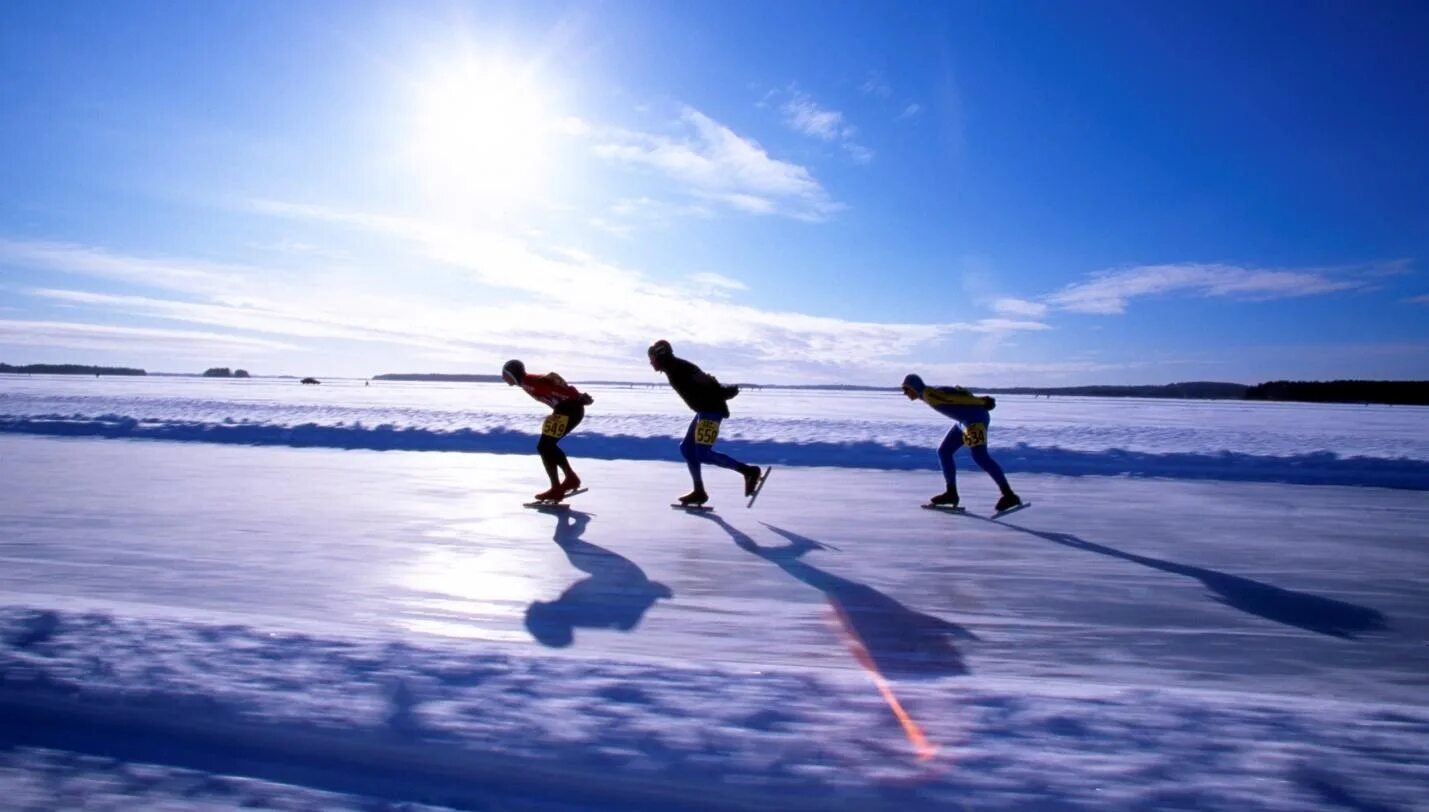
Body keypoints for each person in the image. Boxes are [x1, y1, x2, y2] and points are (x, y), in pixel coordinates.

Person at [646, 340, 763, 506]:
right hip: (704, 410)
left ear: (660, 355)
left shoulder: (680, 367)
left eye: (651, 357)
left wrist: (725, 392)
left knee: (702, 453)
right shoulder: (673, 367)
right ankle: (699, 491)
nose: (650, 362)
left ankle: (749, 471)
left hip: (711, 410)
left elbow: (708, 381)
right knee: (687, 448)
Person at [901, 373, 1021, 512]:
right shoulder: (928, 393)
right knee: (944, 451)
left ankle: (1009, 495)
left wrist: (982, 401)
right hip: (963, 422)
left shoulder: (929, 394)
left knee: (980, 456)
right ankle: (951, 493)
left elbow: (952, 398)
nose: (904, 393)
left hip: (974, 420)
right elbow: (957, 392)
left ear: (913, 387)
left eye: (906, 389)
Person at [503, 359, 594, 502]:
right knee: (547, 446)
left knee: (544, 446)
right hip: (567, 409)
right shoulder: (527, 382)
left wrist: (578, 397)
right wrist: (577, 398)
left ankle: (557, 488)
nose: (503, 378)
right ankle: (570, 479)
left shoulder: (530, 382)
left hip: (569, 409)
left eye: (505, 374)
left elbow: (557, 388)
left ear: (513, 373)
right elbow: (554, 382)